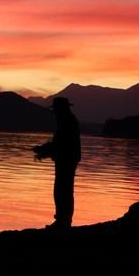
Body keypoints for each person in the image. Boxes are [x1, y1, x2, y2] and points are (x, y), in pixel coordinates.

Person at [33, 96, 81, 229]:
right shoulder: (68, 120)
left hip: (67, 159)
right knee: (64, 190)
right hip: (67, 158)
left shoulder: (67, 121)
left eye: (56, 109)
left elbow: (62, 144)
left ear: (61, 109)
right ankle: (63, 220)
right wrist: (45, 150)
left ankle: (63, 222)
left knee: (62, 190)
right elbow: (59, 144)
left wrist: (44, 150)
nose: (54, 112)